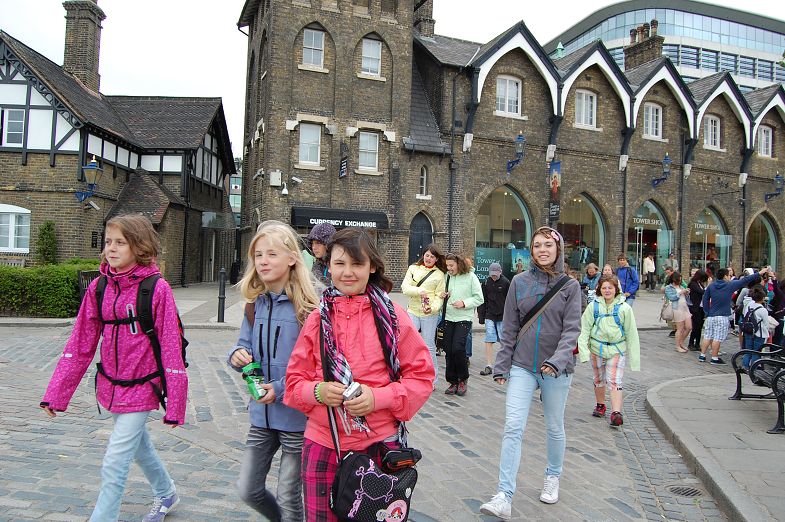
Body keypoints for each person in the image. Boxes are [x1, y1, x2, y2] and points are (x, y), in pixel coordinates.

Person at [40, 214, 187, 522]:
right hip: (111, 384)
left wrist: (176, 403)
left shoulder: (157, 289)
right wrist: (56, 394)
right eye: (108, 242)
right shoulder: (99, 288)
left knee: (115, 460)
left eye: (120, 242)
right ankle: (166, 492)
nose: (111, 248)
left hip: (144, 386)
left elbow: (171, 347)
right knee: (139, 446)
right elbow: (80, 344)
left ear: (139, 247)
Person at [283, 228, 434, 522]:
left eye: (357, 263)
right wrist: (318, 392)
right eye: (340, 263)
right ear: (328, 266)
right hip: (324, 445)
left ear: (372, 267)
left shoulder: (394, 317)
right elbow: (293, 384)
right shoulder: (316, 320)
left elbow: (421, 377)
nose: (348, 272)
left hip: (379, 447)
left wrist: (378, 397)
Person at [480, 227, 581, 519]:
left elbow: (572, 330)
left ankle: (553, 475)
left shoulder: (570, 286)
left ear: (558, 249)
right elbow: (510, 326)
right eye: (537, 245)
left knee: (554, 426)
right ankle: (504, 495)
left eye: (548, 245)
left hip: (556, 369)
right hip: (523, 365)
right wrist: (502, 364)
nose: (543, 250)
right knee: (513, 426)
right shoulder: (519, 282)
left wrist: (557, 360)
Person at [228, 220, 319, 521]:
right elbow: (244, 346)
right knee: (247, 489)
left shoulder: (308, 308)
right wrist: (237, 355)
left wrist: (279, 388)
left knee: (288, 496)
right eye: (258, 255)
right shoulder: (254, 305)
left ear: (292, 258)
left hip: (296, 418)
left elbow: (314, 366)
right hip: (261, 415)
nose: (263, 261)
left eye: (271, 254)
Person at [577, 274, 640, 427]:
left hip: (616, 349)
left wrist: (635, 360)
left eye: (610, 288)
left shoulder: (625, 309)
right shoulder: (593, 307)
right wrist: (583, 351)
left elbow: (632, 334)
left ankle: (616, 412)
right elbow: (584, 329)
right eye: (604, 288)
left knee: (615, 380)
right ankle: (600, 405)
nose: (607, 290)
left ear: (616, 289)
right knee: (599, 379)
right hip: (596, 348)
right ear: (599, 289)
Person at [400, 244, 447, 387]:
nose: (429, 258)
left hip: (429, 314)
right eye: (427, 255)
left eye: (432, 257)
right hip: (413, 311)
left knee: (428, 345)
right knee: (409, 343)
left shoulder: (439, 274)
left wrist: (433, 308)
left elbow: (439, 296)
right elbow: (405, 288)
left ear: (436, 259)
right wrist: (419, 291)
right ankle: (408, 374)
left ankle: (433, 379)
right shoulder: (413, 268)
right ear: (423, 255)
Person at [700, 267, 765, 364]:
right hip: (722, 316)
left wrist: (706, 311)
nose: (730, 277)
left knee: (707, 335)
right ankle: (714, 358)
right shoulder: (729, 285)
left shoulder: (711, 285)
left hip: (711, 315)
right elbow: (745, 280)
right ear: (725, 276)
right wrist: (759, 273)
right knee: (717, 337)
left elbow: (705, 298)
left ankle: (702, 355)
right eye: (729, 275)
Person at [440, 252, 483, 395]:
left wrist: (464, 303)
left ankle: (463, 379)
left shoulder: (471, 277)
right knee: (448, 350)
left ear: (459, 264)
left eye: (451, 265)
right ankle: (452, 381)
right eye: (447, 266)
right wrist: (443, 295)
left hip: (463, 318)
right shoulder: (447, 276)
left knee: (458, 349)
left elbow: (479, 298)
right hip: (448, 317)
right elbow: (441, 293)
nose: (449, 268)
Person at [478, 262, 510, 377]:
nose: (493, 276)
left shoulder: (506, 282)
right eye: (492, 274)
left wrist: (510, 317)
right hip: (490, 314)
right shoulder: (486, 283)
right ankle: (489, 365)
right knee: (489, 339)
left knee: (503, 340)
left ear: (500, 272)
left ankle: (505, 364)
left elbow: (510, 301)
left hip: (502, 315)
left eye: (495, 274)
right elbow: (483, 300)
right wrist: (481, 316)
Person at [740, 286, 770, 371]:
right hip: (759, 333)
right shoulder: (762, 309)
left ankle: (745, 366)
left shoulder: (749, 305)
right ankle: (754, 368)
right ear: (762, 298)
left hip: (749, 331)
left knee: (748, 350)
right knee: (756, 352)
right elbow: (766, 323)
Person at [664, 271, 692, 353]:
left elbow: (685, 297)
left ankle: (681, 342)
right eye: (678, 280)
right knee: (680, 328)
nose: (680, 281)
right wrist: (680, 293)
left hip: (685, 307)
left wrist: (686, 293)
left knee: (689, 327)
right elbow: (671, 298)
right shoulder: (669, 287)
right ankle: (677, 346)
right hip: (677, 308)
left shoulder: (681, 286)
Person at [307, 222, 337, 289]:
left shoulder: (338, 266)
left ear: (328, 244)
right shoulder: (316, 266)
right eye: (312, 243)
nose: (314, 247)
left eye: (318, 243)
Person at [687, 270, 709, 351]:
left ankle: (697, 343)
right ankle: (691, 343)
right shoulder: (693, 284)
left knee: (700, 327)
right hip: (695, 308)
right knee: (695, 326)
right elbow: (702, 292)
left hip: (701, 308)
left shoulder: (700, 284)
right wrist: (708, 285)